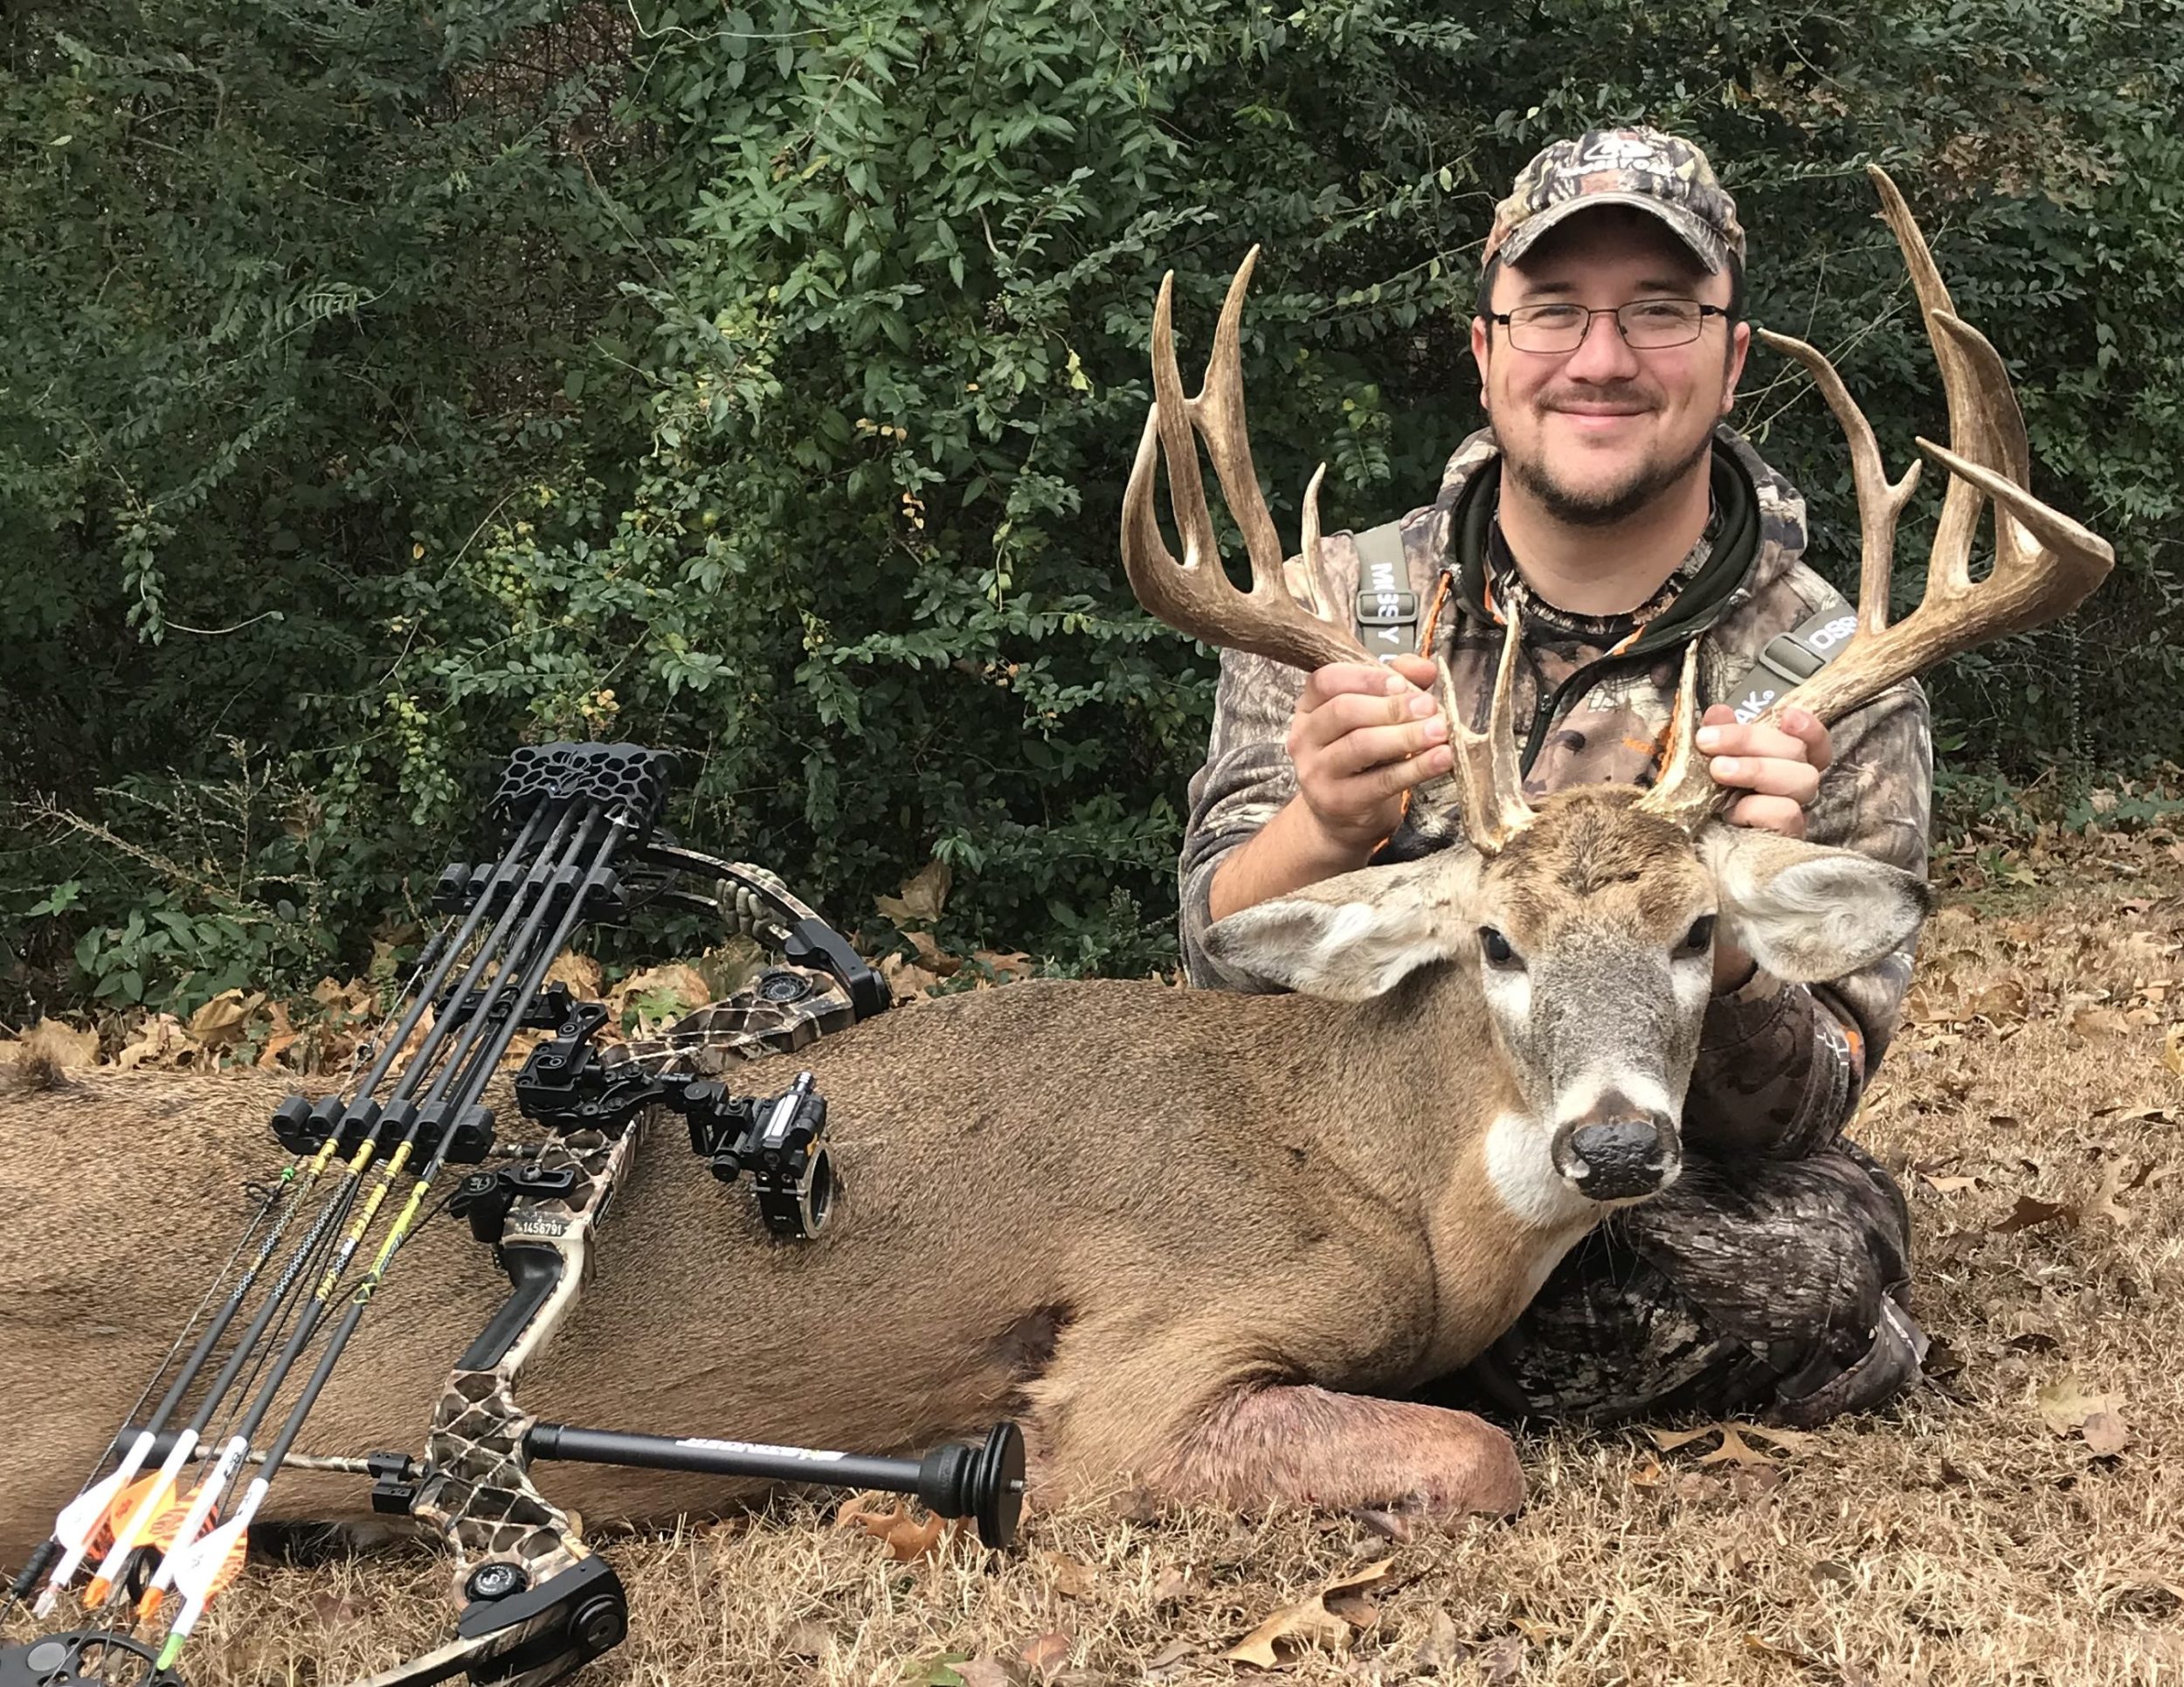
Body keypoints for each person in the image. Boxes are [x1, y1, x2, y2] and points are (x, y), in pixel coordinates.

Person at [1177, 128, 1933, 1428]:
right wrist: (1322, 830)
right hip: (1349, 1159)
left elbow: (1806, 1107)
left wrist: (1736, 933)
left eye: (1660, 311)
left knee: (1817, 1272)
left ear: (1730, 355)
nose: (1601, 359)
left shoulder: (1835, 674)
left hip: (1655, 1169)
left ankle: (1307, 1354)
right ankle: (1336, 1333)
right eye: (1553, 313)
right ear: (1486, 351)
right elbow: (1214, 972)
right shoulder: (1326, 614)